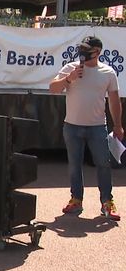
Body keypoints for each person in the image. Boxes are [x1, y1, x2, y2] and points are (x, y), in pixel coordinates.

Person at [49, 35, 122, 220]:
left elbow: (114, 101)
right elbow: (53, 88)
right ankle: (76, 199)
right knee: (74, 165)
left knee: (103, 165)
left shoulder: (108, 72)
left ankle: (107, 201)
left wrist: (119, 125)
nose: (82, 52)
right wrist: (69, 79)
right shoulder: (70, 68)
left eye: (86, 49)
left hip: (97, 127)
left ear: (97, 52)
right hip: (72, 127)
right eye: (81, 48)